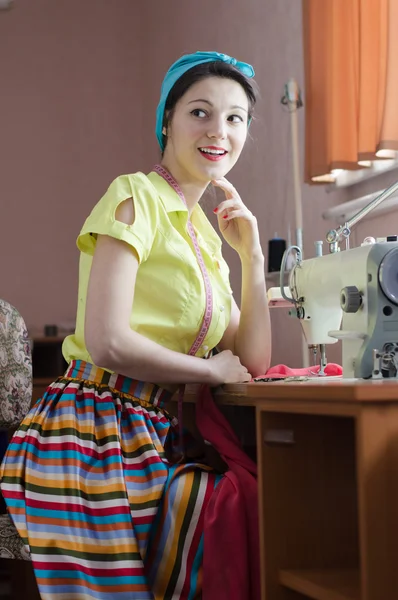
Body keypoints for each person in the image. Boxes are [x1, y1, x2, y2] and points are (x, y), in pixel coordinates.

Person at [0, 50, 271, 600]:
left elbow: (255, 360)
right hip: (89, 431)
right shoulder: (133, 198)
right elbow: (107, 340)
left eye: (235, 117)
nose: (219, 130)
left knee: (237, 509)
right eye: (200, 112)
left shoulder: (209, 240)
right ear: (166, 121)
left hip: (150, 433)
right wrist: (208, 368)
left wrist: (252, 260)